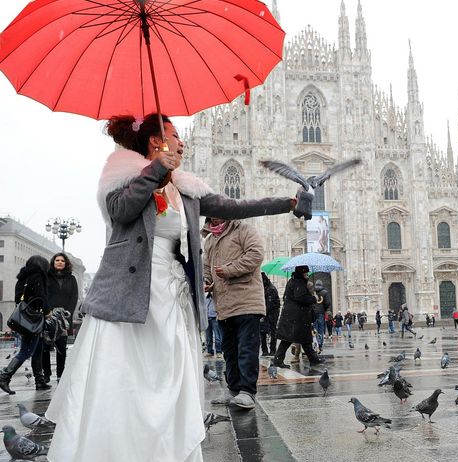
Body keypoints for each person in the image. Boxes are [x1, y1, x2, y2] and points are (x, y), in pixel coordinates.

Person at [45, 113, 311, 462]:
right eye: (174, 134)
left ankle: (163, 447)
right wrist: (155, 171)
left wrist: (288, 204)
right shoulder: (122, 174)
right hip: (131, 292)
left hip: (170, 292)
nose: (182, 141)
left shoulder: (185, 187)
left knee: (168, 374)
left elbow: (233, 207)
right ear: (157, 142)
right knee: (127, 373)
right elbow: (120, 211)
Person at [202, 216, 267, 410]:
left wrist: (229, 270)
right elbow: (207, 267)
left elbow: (256, 254)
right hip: (223, 304)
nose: (215, 216)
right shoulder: (210, 239)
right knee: (229, 351)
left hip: (246, 300)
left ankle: (247, 392)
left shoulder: (243, 229)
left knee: (246, 349)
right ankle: (233, 389)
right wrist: (206, 281)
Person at [0, 255, 51, 394]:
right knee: (26, 351)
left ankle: (39, 381)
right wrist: (47, 311)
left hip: (23, 321)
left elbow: (18, 298)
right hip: (33, 320)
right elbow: (41, 296)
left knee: (37, 349)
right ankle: (4, 376)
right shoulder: (38, 276)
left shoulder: (22, 278)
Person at [272, 266, 323, 368]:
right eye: (306, 273)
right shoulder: (298, 282)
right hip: (296, 317)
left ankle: (314, 359)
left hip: (294, 316)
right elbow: (300, 297)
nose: (307, 275)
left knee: (303, 339)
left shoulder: (293, 281)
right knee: (292, 339)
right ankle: (278, 360)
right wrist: (313, 298)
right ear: (301, 273)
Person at [44, 252, 79, 382]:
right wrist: (48, 311)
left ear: (66, 264)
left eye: (62, 261)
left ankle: (60, 374)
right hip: (49, 316)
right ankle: (46, 374)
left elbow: (74, 297)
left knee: (61, 347)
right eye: (57, 260)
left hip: (64, 318)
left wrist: (67, 312)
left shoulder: (72, 279)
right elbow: (44, 295)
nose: (59, 262)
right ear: (53, 263)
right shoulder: (46, 277)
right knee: (46, 347)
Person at [260, 273, 280, 356]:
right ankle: (265, 350)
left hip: (272, 313)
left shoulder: (270, 289)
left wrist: (263, 314)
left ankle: (272, 350)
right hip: (267, 312)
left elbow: (270, 304)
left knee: (272, 331)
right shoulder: (265, 288)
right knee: (263, 331)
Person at [203, 293, 222, 358]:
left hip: (214, 317)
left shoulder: (216, 296)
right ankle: (209, 351)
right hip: (207, 317)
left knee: (217, 336)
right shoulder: (205, 296)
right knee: (208, 336)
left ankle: (219, 351)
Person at [313, 280, 330, 351]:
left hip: (313, 313)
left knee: (314, 330)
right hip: (321, 313)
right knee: (320, 330)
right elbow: (327, 303)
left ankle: (315, 344)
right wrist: (325, 310)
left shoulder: (312, 292)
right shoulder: (325, 292)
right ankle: (320, 345)